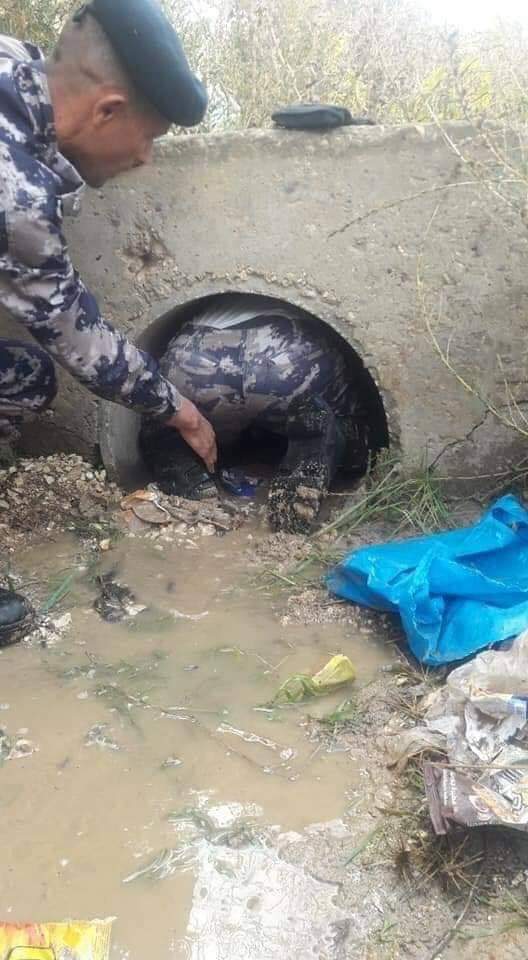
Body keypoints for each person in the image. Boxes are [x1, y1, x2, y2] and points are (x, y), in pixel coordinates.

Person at [0, 0, 218, 647]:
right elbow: (74, 332)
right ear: (106, 111)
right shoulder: (15, 188)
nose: (146, 159)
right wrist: (180, 410)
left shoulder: (16, 70)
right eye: (148, 137)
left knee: (22, 377)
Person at [140, 296, 370, 533]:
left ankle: (179, 461)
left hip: (194, 356)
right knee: (341, 418)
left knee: (165, 411)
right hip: (287, 353)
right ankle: (318, 444)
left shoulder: (216, 305)